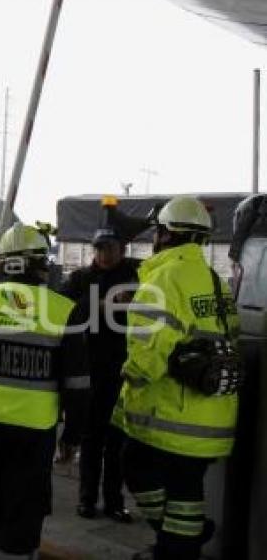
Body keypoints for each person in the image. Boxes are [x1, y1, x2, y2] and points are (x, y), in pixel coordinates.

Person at [0, 222, 90, 560]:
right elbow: (78, 385)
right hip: (33, 432)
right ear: (40, 263)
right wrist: (72, 436)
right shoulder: (62, 310)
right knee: (22, 511)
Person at [111, 196, 241, 560]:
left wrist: (130, 378)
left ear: (167, 234)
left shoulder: (166, 276)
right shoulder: (212, 279)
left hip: (174, 415)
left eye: (158, 231)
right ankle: (178, 542)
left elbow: (150, 349)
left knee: (135, 466)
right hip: (212, 411)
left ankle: (180, 545)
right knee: (186, 488)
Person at [59, 227, 138, 522]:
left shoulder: (135, 274)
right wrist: (102, 305)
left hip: (124, 371)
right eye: (99, 249)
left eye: (110, 248)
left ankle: (115, 502)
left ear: (122, 248)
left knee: (117, 440)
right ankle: (87, 500)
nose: (104, 254)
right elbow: (63, 309)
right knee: (91, 438)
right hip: (89, 370)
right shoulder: (80, 278)